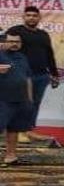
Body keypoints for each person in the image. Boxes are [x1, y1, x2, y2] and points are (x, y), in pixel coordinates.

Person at [10, 6, 59, 132]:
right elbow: (5, 49)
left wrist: (54, 74)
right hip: (22, 75)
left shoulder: (44, 34)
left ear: (39, 18)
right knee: (23, 103)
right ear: (24, 17)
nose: (31, 18)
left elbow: (49, 54)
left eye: (34, 15)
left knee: (35, 104)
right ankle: (17, 131)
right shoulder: (15, 31)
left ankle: (29, 130)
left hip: (42, 76)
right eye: (28, 15)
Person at [0, 28, 34, 166]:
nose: (14, 44)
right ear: (4, 42)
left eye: (17, 41)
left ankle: (11, 156)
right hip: (3, 100)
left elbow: (28, 78)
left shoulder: (22, 57)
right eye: (11, 41)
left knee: (14, 129)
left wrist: (30, 99)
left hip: (21, 100)